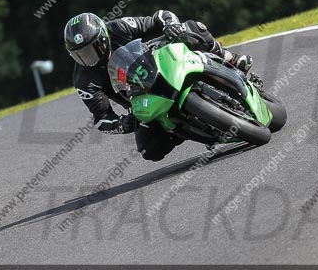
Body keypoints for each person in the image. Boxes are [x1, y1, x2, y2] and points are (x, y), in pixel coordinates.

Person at [64, 10, 254, 161]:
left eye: (92, 49)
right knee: (149, 151)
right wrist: (121, 124)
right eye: (80, 55)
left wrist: (170, 26)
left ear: (103, 36)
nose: (88, 58)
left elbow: (159, 17)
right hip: (142, 102)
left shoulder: (118, 28)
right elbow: (101, 118)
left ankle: (231, 59)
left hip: (159, 64)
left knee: (191, 29)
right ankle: (196, 130)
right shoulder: (83, 80)